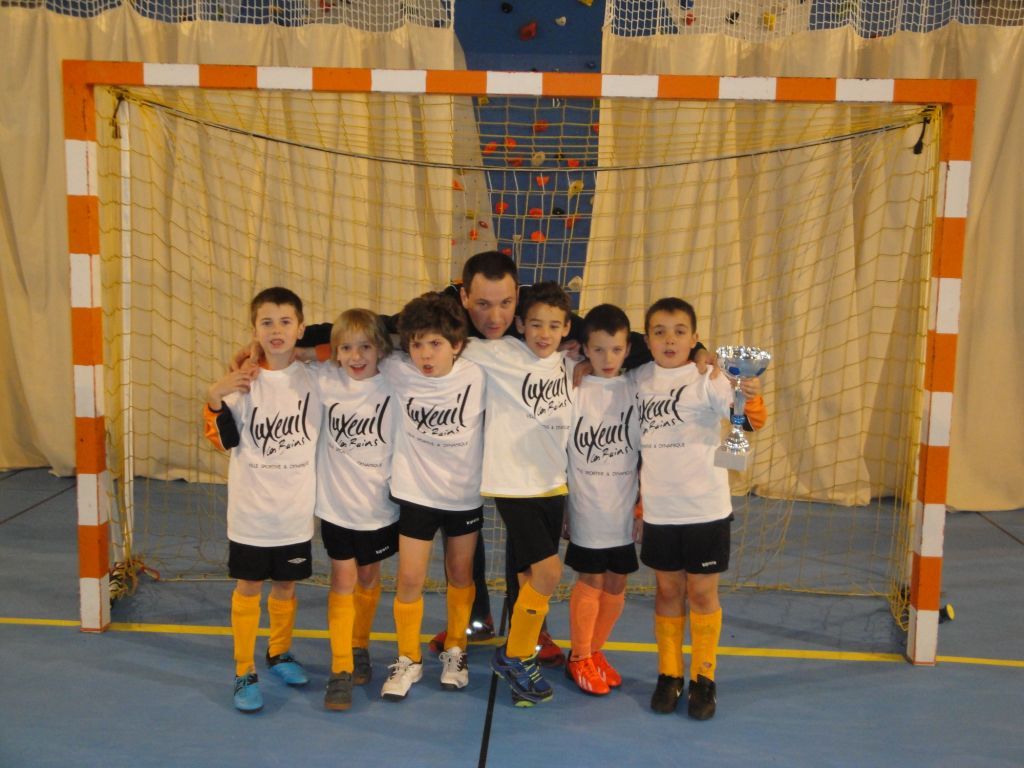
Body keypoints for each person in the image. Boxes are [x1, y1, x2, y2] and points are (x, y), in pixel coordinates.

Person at [629, 297, 766, 720]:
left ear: (694, 338)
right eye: (659, 332)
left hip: (706, 509)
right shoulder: (637, 379)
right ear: (647, 340)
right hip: (660, 511)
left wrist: (750, 396)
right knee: (668, 592)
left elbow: (748, 421)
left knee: (702, 593)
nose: (669, 340)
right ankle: (669, 673)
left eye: (679, 332)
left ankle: (704, 677)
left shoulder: (709, 377)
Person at [204, 287, 321, 713]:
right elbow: (224, 441)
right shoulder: (241, 383)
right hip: (251, 513)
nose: (276, 330)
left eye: (286, 321)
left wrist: (309, 352)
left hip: (294, 512)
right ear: (254, 329)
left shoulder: (316, 379)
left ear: (300, 328)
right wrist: (215, 397)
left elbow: (350, 342)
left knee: (286, 585)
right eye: (266, 322)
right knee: (249, 586)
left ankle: (279, 651)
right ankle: (244, 669)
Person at [460, 281, 577, 706]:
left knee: (530, 579)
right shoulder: (498, 353)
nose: (544, 334)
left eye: (554, 326)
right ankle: (513, 656)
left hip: (553, 482)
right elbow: (436, 334)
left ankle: (521, 662)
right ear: (521, 325)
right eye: (535, 324)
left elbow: (624, 344)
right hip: (514, 485)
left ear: (567, 328)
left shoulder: (570, 363)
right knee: (548, 573)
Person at [378, 292, 487, 701]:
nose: (425, 354)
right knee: (409, 578)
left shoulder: (479, 374)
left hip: (462, 496)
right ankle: (408, 658)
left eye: (436, 343)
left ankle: (456, 649)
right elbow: (353, 343)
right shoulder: (397, 370)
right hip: (416, 493)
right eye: (417, 343)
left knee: (460, 574)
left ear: (456, 344)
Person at [312, 309, 399, 711]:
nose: (356, 356)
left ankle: (360, 644)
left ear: (380, 348)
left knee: (368, 577)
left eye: (365, 346)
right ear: (335, 352)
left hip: (379, 507)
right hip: (336, 507)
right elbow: (289, 357)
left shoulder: (395, 380)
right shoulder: (326, 380)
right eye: (346, 348)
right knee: (342, 580)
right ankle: (341, 666)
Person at [563, 304, 642, 696]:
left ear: (628, 349)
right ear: (584, 349)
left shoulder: (637, 386)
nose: (607, 358)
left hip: (623, 508)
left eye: (616, 349)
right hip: (586, 507)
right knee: (591, 579)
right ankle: (578, 656)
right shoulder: (572, 384)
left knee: (617, 582)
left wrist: (642, 507)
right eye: (597, 349)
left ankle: (595, 651)